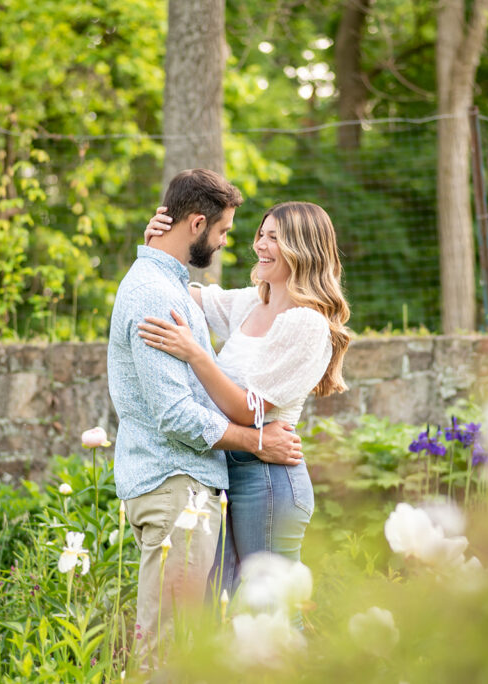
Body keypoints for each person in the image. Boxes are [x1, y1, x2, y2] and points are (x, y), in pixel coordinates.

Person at [107, 169, 304, 666]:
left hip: (184, 484)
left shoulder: (166, 283)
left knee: (189, 641)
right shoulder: (157, 295)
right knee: (170, 648)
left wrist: (151, 246)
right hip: (178, 484)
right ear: (197, 223)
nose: (224, 243)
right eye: (221, 232)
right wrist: (256, 441)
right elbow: (175, 414)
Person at [139, 200, 351, 609]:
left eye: (275, 238)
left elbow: (247, 410)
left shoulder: (306, 323)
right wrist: (157, 247)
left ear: (303, 249)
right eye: (261, 234)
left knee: (269, 613)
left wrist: (196, 355)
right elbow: (184, 294)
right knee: (229, 611)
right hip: (227, 469)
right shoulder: (255, 302)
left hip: (266, 480)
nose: (260, 245)